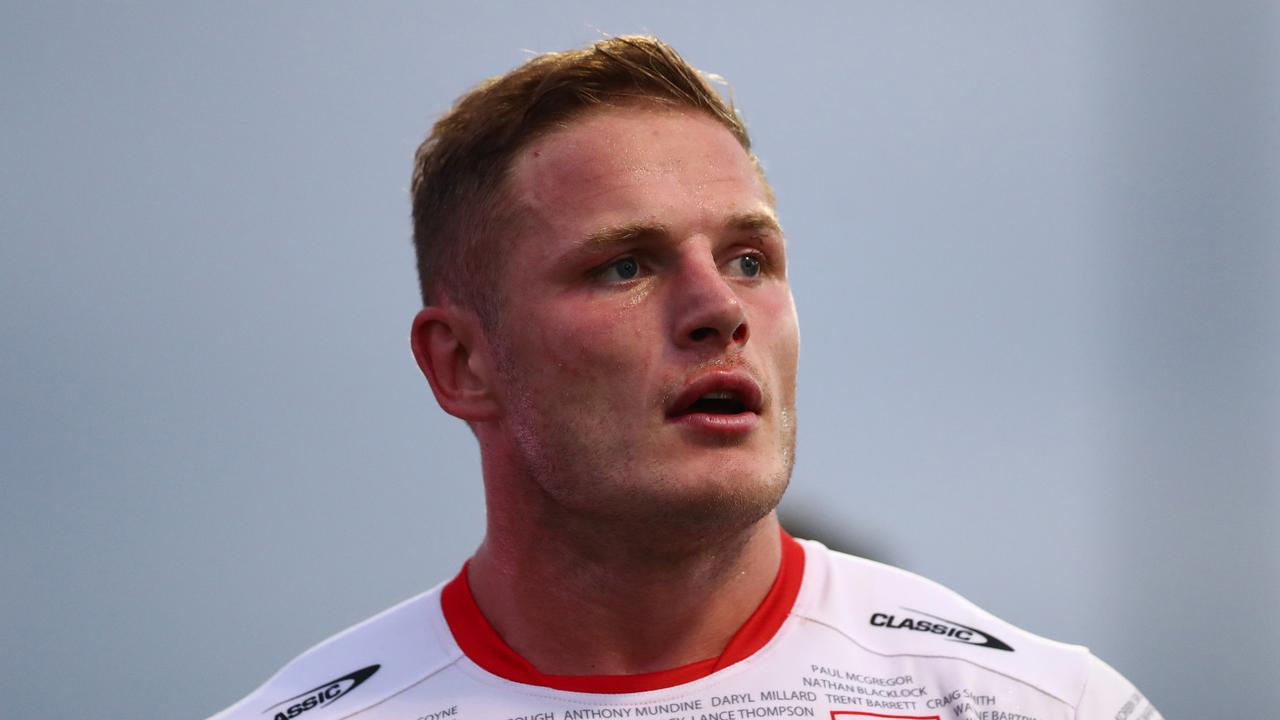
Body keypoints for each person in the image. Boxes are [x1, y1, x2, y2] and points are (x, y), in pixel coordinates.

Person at [210, 36, 1161, 720]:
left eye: (750, 259)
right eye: (625, 266)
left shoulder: (1041, 706)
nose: (720, 309)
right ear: (463, 364)